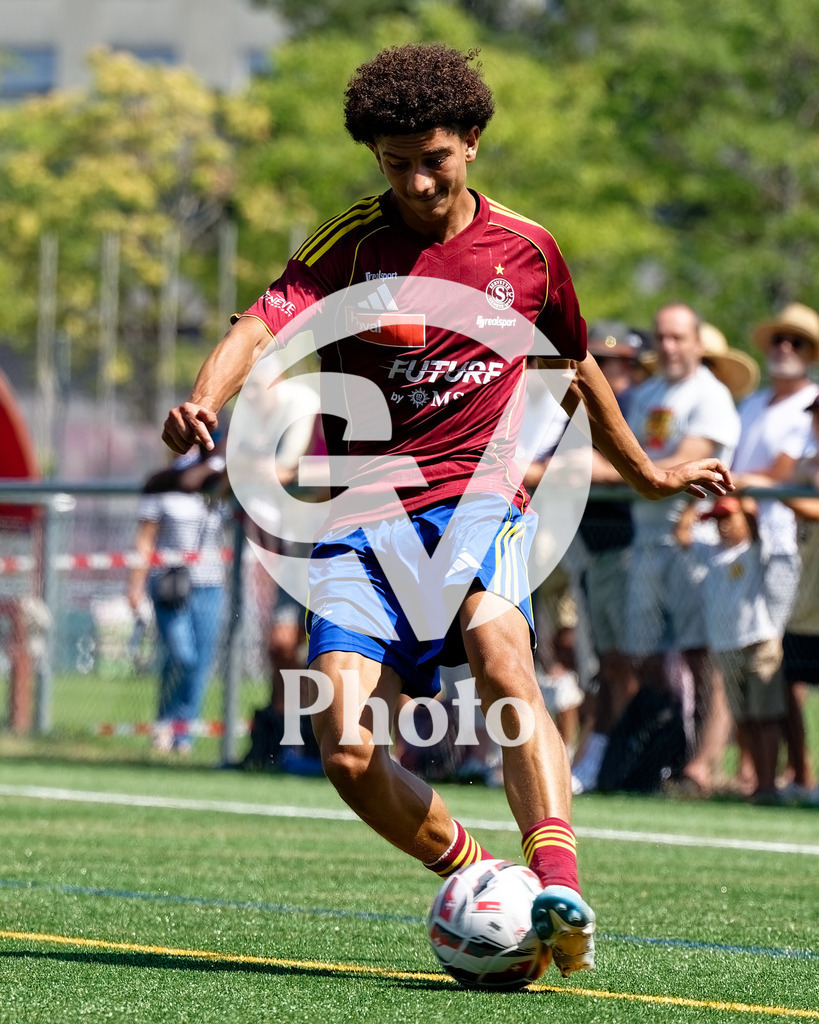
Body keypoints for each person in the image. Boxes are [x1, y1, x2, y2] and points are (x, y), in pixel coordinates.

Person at [161, 44, 732, 977]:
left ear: (471, 141)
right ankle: (481, 877)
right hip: (361, 519)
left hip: (481, 501)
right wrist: (205, 399)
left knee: (505, 660)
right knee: (343, 748)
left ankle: (559, 880)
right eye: (395, 164)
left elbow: (576, 365)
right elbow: (260, 320)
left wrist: (653, 472)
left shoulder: (528, 250)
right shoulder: (350, 241)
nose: (417, 181)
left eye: (434, 157)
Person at [594, 303, 741, 794]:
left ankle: (703, 766)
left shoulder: (711, 396)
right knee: (646, 658)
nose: (670, 347)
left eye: (679, 337)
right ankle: (668, 756)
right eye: (662, 337)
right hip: (647, 539)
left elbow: (682, 461)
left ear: (698, 343)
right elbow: (625, 449)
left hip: (694, 538)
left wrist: (617, 471)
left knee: (705, 657)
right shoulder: (649, 394)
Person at [731, 303, 819, 793]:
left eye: (797, 342)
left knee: (783, 663)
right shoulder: (754, 403)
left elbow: (792, 475)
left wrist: (748, 485)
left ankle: (800, 772)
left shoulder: (813, 401)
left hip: (789, 547)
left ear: (810, 354)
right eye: (780, 340)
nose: (785, 348)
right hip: (746, 542)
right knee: (754, 662)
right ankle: (760, 771)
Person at [570, 322, 644, 794]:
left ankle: (624, 758)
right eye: (599, 359)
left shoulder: (639, 405)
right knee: (605, 662)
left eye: (615, 361)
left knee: (627, 661)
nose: (605, 369)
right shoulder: (578, 406)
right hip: (593, 547)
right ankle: (601, 756)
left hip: (629, 545)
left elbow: (631, 461)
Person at [675, 495, 786, 802]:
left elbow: (759, 530)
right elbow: (683, 537)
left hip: (758, 643)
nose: (723, 527)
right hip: (726, 648)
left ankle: (768, 784)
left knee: (765, 716)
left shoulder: (753, 552)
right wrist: (689, 506)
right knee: (745, 719)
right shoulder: (711, 555)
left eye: (728, 519)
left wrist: (749, 507)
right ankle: (754, 783)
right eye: (719, 521)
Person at [128, 446, 229, 754]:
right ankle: (165, 721)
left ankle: (184, 733)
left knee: (200, 663)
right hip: (170, 583)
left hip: (210, 583)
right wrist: (135, 585)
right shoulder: (161, 484)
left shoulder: (219, 479)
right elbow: (145, 539)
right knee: (180, 656)